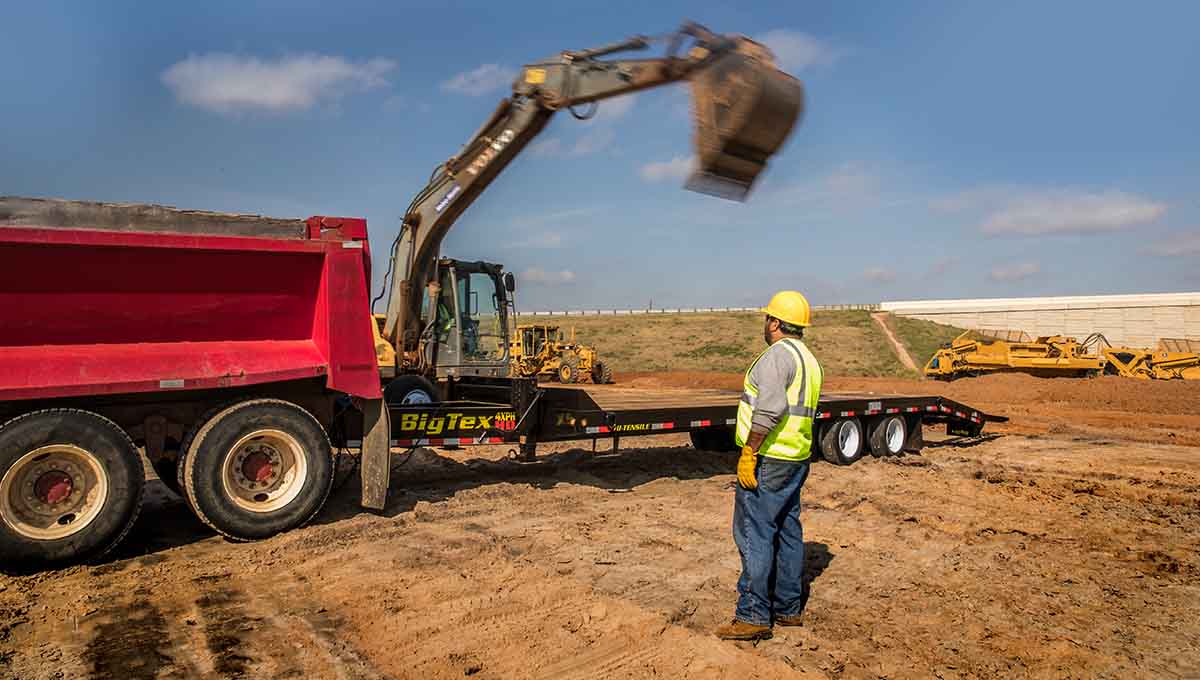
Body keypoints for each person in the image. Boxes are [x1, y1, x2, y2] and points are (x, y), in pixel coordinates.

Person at [715, 291, 823, 641]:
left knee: (754, 532)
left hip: (770, 458)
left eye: (767, 318)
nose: (765, 323)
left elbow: (770, 409)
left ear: (775, 322)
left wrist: (750, 451)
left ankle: (753, 614)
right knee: (788, 529)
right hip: (796, 457)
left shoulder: (776, 357)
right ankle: (788, 608)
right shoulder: (809, 359)